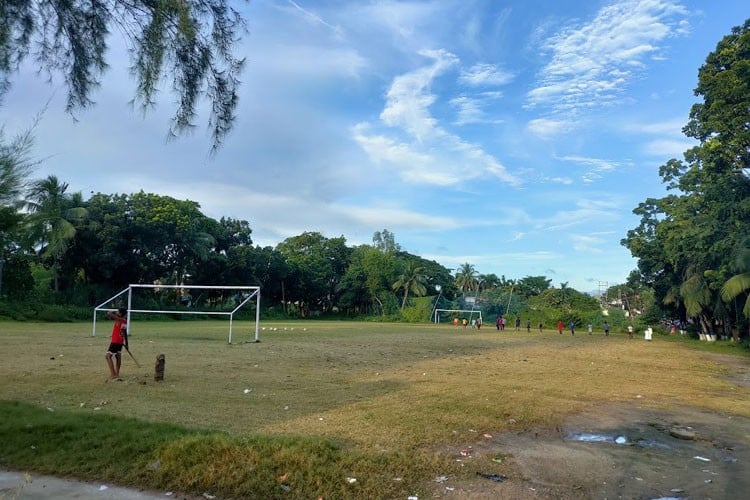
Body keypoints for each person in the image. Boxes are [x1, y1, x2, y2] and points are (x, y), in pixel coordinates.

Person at [105, 308, 128, 380]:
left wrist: (114, 312)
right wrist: (126, 343)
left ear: (120, 314)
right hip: (120, 341)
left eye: (118, 311)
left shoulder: (118, 319)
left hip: (115, 341)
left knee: (108, 356)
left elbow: (109, 313)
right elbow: (125, 333)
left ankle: (113, 374)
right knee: (118, 356)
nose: (117, 312)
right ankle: (117, 373)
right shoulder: (124, 321)